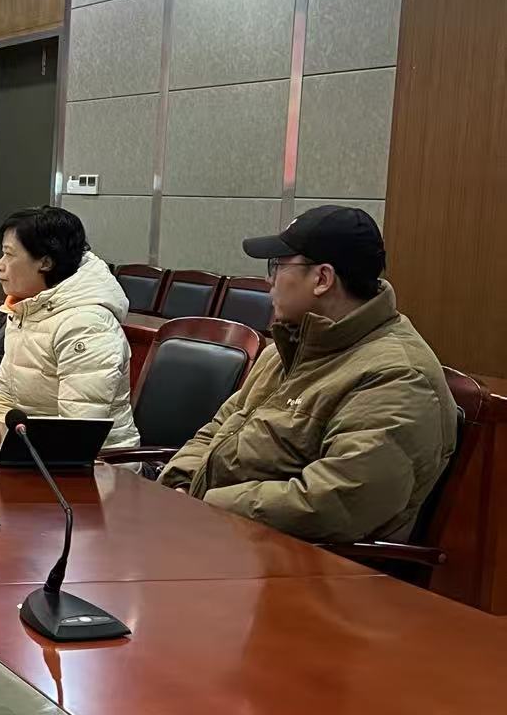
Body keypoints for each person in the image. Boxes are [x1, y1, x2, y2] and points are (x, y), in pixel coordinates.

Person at [160, 206, 457, 544]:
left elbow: (333, 502)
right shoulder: (288, 348)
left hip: (296, 562)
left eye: (278, 266)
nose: (269, 281)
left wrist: (204, 504)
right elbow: (219, 428)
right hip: (221, 533)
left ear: (322, 279)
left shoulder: (398, 376)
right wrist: (180, 484)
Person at [0, 207, 138, 449]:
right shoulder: (27, 309)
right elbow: (5, 399)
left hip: (95, 464)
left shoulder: (86, 325)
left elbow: (76, 432)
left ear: (45, 262)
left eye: (9, 255)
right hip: (31, 450)